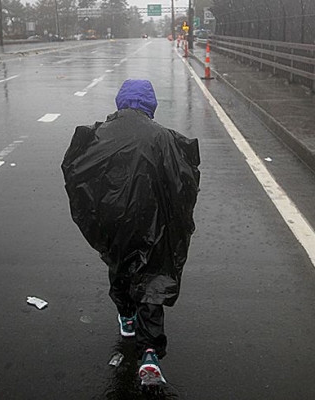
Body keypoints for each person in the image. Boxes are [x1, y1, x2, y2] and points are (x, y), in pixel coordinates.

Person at [61, 79, 201, 387]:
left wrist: (98, 215)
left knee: (120, 266)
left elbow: (77, 171)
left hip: (114, 222)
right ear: (150, 105)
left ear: (120, 102)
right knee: (151, 278)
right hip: (153, 223)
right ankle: (149, 352)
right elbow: (183, 182)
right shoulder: (163, 138)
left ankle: (125, 315)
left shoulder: (100, 135)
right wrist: (177, 219)